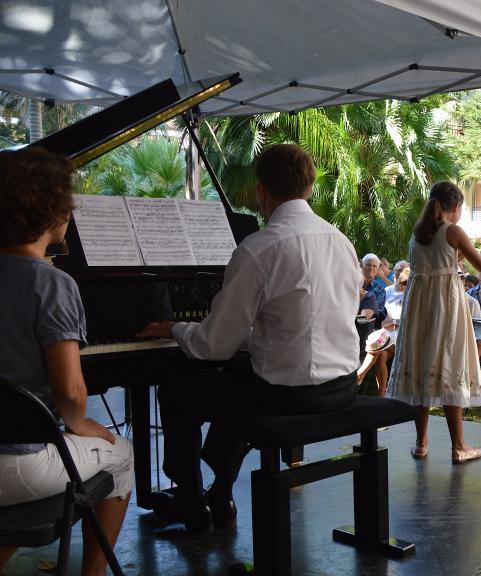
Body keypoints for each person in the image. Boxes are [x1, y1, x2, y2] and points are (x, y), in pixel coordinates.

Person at [137, 144, 363, 531]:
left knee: (177, 391)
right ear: (309, 186)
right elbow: (297, 329)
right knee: (239, 382)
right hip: (342, 386)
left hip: (285, 395)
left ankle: (193, 504)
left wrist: (175, 328)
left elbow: (212, 346)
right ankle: (220, 493)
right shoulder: (340, 242)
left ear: (261, 190)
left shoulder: (260, 249)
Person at [0, 148, 133, 576]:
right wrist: (79, 423)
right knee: (123, 453)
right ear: (51, 210)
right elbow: (71, 391)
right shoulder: (52, 283)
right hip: (18, 465)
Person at [388, 181, 481, 464]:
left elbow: (432, 262)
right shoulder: (453, 231)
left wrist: (452, 258)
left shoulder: (417, 234)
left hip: (419, 306)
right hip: (445, 305)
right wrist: (461, 258)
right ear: (455, 208)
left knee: (423, 364)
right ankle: (458, 446)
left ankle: (421, 443)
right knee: (449, 361)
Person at [361, 254, 387, 319]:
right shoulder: (352, 283)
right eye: (368, 265)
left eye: (374, 266)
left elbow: (374, 314)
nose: (371, 268)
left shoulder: (380, 290)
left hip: (366, 323)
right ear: (362, 266)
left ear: (377, 269)